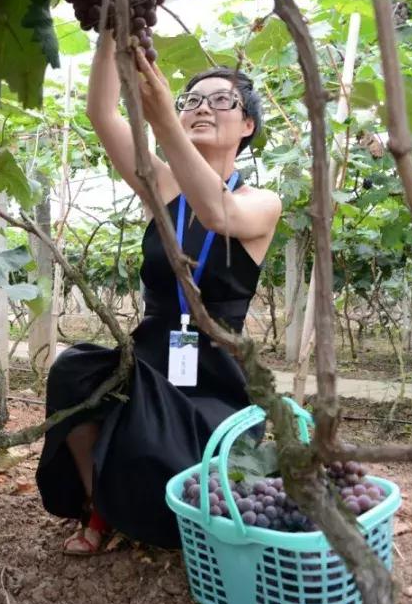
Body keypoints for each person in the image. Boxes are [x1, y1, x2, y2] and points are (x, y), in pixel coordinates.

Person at [35, 34, 281, 554]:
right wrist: (109, 28)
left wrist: (165, 118)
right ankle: (100, 505)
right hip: (149, 356)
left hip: (216, 375)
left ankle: (149, 509)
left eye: (221, 100)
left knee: (171, 456)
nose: (202, 108)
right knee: (73, 372)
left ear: (248, 126)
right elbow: (102, 114)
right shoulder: (162, 187)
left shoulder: (261, 201)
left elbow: (219, 214)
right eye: (192, 100)